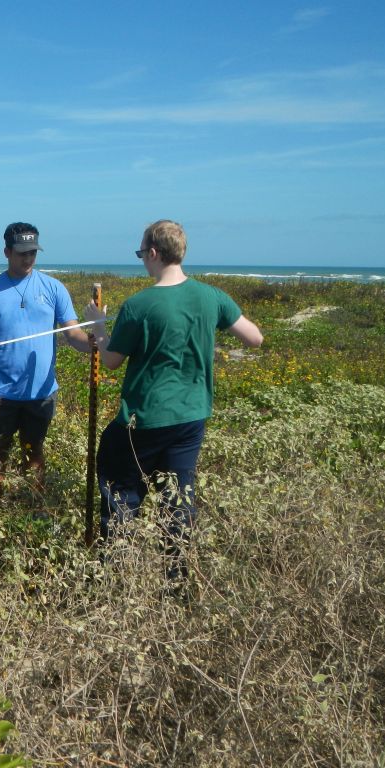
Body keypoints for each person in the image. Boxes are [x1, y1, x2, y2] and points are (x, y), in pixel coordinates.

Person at [85, 220, 263, 585]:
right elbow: (254, 338)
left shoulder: (139, 304)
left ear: (153, 253)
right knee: (178, 502)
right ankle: (176, 583)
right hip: (191, 418)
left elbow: (112, 360)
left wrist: (99, 326)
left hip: (143, 419)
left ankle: (115, 581)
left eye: (141, 253)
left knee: (121, 495)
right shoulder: (212, 297)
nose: (142, 260)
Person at [0, 222, 93, 498]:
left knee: (34, 452)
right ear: (7, 252)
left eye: (32, 252)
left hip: (40, 392)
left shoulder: (54, 288)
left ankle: (34, 507)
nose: (28, 258)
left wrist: (96, 341)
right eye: (22, 253)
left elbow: (74, 334)